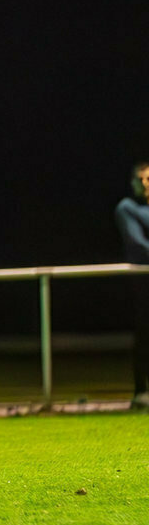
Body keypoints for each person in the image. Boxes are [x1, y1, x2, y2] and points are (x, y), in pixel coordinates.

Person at [115, 161, 149, 409]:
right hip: (143, 282)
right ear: (134, 183)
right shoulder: (127, 208)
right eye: (143, 179)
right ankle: (141, 391)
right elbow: (138, 244)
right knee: (145, 332)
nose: (147, 183)